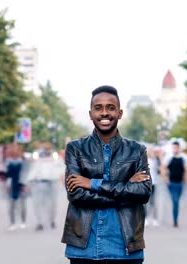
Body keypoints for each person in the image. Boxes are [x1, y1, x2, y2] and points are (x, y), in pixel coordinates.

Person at [62, 86, 151, 264]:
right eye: (98, 108)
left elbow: (143, 193)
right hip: (83, 250)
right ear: (90, 113)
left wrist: (92, 184)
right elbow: (76, 195)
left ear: (120, 113)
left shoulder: (136, 150)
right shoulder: (75, 149)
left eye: (111, 108)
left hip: (126, 250)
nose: (104, 113)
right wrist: (126, 187)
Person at [26, 149, 63, 231]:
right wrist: (28, 184)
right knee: (38, 204)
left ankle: (52, 220)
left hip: (52, 184)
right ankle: (40, 222)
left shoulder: (55, 162)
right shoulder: (37, 163)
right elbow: (31, 174)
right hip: (39, 184)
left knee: (52, 204)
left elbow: (61, 172)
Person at [161, 141, 187, 228]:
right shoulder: (168, 157)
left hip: (180, 183)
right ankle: (175, 220)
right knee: (175, 200)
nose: (175, 149)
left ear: (179, 147)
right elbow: (163, 167)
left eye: (176, 147)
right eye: (173, 147)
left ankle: (175, 217)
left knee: (177, 201)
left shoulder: (184, 157)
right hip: (171, 183)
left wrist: (186, 178)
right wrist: (165, 178)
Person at [5, 144, 27, 231]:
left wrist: (24, 184)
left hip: (21, 184)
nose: (15, 152)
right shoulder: (8, 161)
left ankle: (23, 221)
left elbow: (25, 173)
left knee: (22, 205)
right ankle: (12, 223)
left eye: (17, 150)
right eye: (13, 150)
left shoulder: (23, 161)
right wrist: (7, 184)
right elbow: (6, 174)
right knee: (11, 205)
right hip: (11, 184)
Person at [145, 146, 161, 227]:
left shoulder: (156, 161)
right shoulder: (144, 161)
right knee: (145, 202)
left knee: (153, 202)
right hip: (145, 183)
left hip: (154, 183)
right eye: (149, 151)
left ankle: (155, 219)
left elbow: (160, 170)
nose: (150, 152)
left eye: (152, 151)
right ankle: (146, 219)